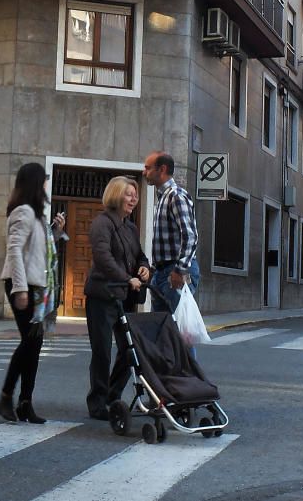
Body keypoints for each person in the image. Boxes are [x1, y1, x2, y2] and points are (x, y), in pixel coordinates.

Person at [0, 162, 65, 424]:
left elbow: (37, 252)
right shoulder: (23, 212)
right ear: (36, 183)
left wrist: (55, 233)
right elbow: (14, 250)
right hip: (24, 286)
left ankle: (25, 402)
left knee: (34, 344)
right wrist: (20, 288)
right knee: (28, 342)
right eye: (44, 180)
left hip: (37, 286)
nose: (47, 185)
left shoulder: (35, 215)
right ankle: (6, 395)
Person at [84, 176, 151, 421]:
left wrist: (144, 268)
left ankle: (113, 396)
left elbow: (140, 255)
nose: (134, 199)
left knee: (129, 349)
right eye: (128, 194)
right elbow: (103, 258)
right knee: (102, 351)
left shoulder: (130, 227)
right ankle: (97, 402)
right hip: (102, 295)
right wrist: (126, 278)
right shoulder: (102, 223)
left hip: (124, 297)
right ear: (115, 195)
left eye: (135, 194)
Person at [142, 151, 199, 313]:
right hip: (163, 271)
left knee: (177, 328)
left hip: (174, 270)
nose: (144, 172)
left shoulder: (176, 196)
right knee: (162, 327)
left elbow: (190, 236)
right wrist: (154, 269)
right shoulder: (163, 197)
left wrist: (179, 271)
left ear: (162, 169)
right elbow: (165, 240)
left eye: (148, 168)